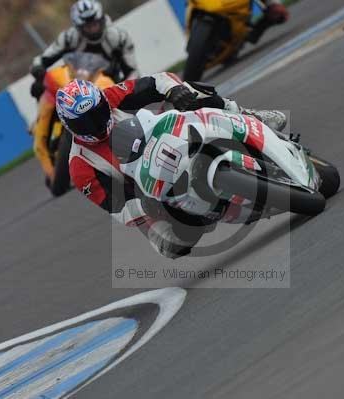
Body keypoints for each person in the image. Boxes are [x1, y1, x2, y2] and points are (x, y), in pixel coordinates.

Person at [55, 74, 287, 258]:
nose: (95, 124)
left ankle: (248, 116)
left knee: (192, 92)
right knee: (171, 246)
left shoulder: (111, 95)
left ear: (102, 102)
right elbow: (117, 207)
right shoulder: (80, 166)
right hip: (151, 192)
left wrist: (174, 91)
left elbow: (156, 81)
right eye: (84, 123)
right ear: (69, 126)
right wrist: (143, 204)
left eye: (97, 113)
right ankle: (232, 210)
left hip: (170, 139)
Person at [29, 0, 139, 100]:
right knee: (41, 92)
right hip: (75, 91)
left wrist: (124, 91)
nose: (92, 29)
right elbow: (41, 60)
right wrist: (40, 75)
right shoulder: (69, 38)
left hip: (110, 89)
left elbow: (132, 71)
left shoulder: (119, 37)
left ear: (101, 20)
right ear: (79, 27)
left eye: (95, 24)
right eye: (88, 26)